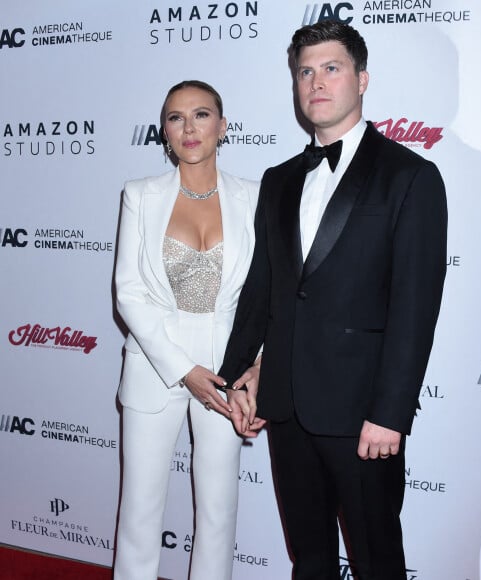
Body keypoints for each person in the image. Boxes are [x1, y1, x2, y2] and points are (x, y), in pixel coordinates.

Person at [220, 21, 447, 580]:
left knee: (376, 561)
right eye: (305, 71)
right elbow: (265, 288)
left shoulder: (410, 176)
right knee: (310, 558)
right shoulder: (277, 179)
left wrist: (389, 414)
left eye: (332, 68)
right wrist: (240, 375)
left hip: (363, 417)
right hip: (289, 406)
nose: (316, 82)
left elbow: (416, 308)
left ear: (362, 79)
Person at [113, 80, 260, 580]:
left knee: (218, 512)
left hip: (226, 371)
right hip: (156, 367)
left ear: (222, 126)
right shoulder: (140, 195)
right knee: (139, 509)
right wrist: (182, 370)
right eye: (176, 118)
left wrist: (252, 369)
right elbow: (129, 293)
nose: (189, 127)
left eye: (201, 115)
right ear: (165, 132)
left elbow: (263, 297)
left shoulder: (254, 198)